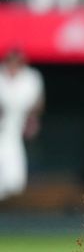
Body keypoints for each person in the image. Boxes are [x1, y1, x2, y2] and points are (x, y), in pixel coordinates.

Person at [0, 48, 45, 200]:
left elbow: (38, 104)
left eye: (17, 61)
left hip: (17, 127)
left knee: (15, 183)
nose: (13, 64)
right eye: (10, 60)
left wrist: (32, 118)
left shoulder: (31, 77)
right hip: (3, 127)